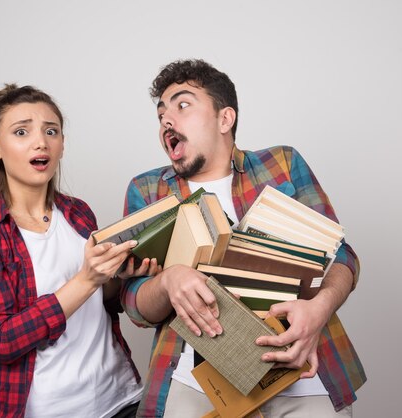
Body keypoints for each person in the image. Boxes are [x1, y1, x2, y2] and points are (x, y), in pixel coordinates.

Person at [120, 59, 366, 418]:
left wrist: (319, 308)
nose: (167, 121)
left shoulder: (281, 164)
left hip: (301, 374)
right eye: (161, 115)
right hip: (196, 384)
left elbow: (342, 258)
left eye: (182, 105)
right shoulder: (146, 189)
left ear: (225, 119)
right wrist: (169, 281)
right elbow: (135, 306)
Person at [0, 84, 154, 418]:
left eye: (51, 131)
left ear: (61, 144)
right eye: (21, 131)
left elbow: (102, 304)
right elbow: (2, 341)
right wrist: (87, 279)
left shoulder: (78, 213)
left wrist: (117, 278)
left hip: (121, 399)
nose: (40, 141)